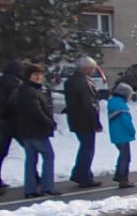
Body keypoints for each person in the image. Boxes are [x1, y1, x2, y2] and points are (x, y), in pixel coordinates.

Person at [17, 63, 59, 198]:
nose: (39, 77)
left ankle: (30, 190)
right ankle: (47, 187)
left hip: (26, 130)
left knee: (31, 159)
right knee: (48, 156)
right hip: (36, 131)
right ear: (29, 76)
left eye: (40, 74)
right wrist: (50, 123)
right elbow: (36, 112)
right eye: (36, 75)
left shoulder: (25, 89)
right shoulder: (30, 91)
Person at [65, 56, 103, 188]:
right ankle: (83, 175)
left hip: (76, 119)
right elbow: (88, 104)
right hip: (85, 120)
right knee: (87, 148)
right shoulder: (83, 82)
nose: (93, 70)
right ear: (86, 68)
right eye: (92, 68)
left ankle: (80, 172)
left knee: (85, 147)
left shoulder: (71, 80)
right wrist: (96, 122)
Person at [0, 60, 25, 190]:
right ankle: (34, 176)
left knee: (2, 151)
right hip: (14, 120)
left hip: (3, 120)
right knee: (30, 148)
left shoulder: (2, 80)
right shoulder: (14, 83)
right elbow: (13, 101)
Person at [107, 82, 137, 189]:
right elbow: (126, 121)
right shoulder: (121, 106)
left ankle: (119, 174)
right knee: (126, 157)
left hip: (116, 134)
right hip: (123, 135)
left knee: (122, 155)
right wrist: (132, 131)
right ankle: (123, 178)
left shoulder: (112, 103)